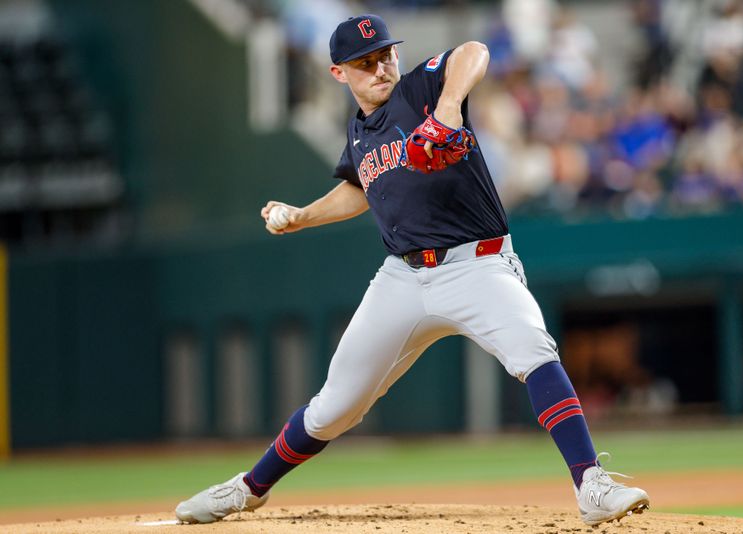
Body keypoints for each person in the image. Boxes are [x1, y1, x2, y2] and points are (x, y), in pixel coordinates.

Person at [175, 14, 650, 527]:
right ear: (339, 74)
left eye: (385, 54)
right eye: (365, 62)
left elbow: (473, 50)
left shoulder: (420, 88)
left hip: (478, 263)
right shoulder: (359, 130)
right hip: (401, 279)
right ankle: (248, 488)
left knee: (533, 350)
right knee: (334, 408)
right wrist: (303, 216)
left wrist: (446, 109)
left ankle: (591, 484)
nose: (380, 67)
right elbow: (358, 189)